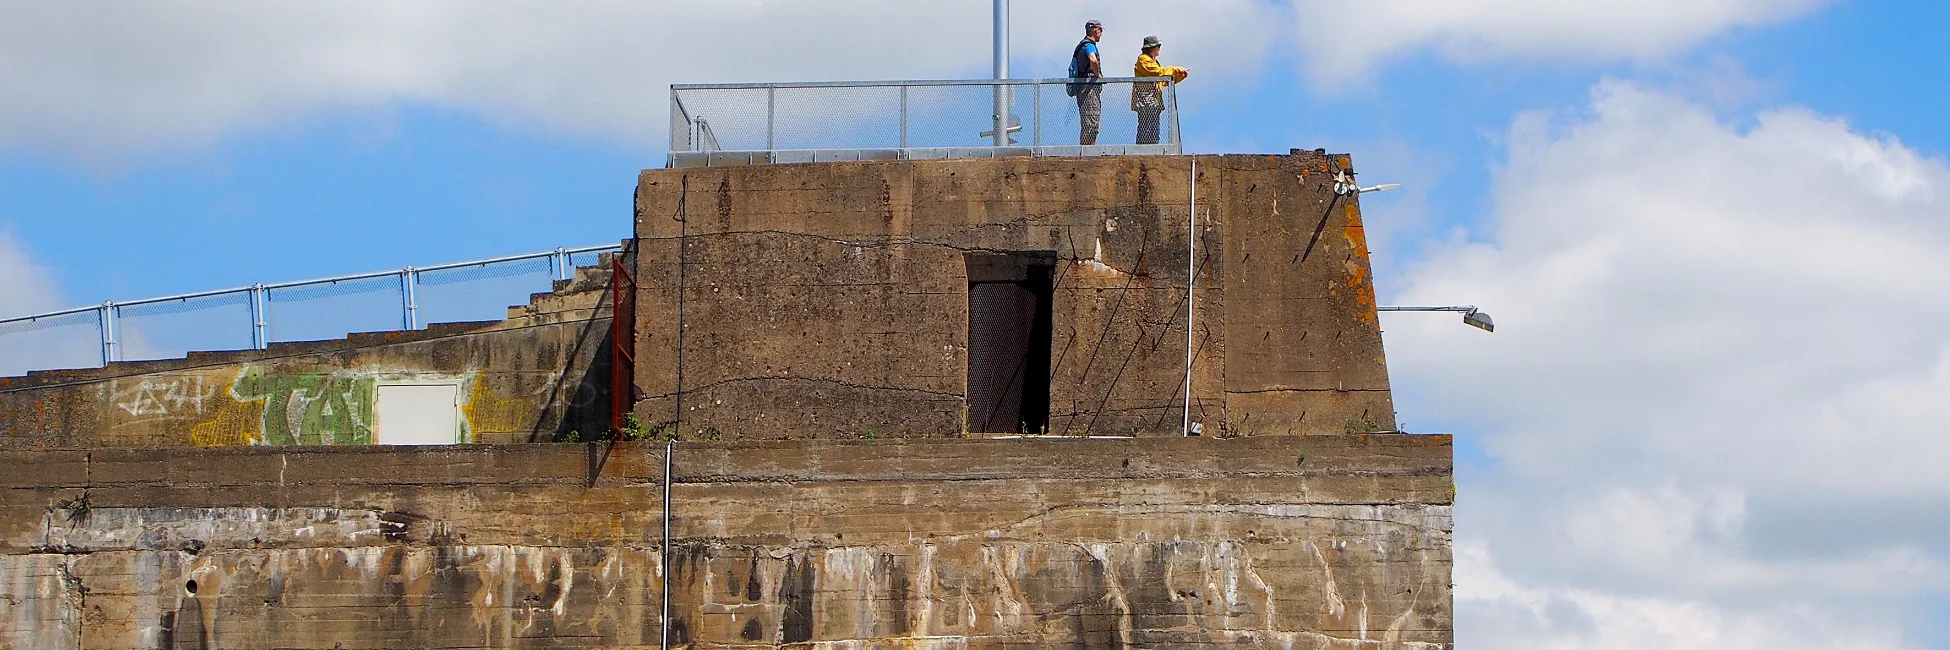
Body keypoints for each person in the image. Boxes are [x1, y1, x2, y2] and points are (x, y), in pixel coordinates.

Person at [1132, 36, 1189, 145]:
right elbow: (1158, 73)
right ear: (1151, 48)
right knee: (1145, 126)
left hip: (1154, 99)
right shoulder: (1143, 59)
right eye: (1158, 46)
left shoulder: (1154, 62)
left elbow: (1164, 81)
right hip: (1145, 99)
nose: (1159, 48)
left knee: (1154, 128)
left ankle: (1152, 147)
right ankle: (1142, 148)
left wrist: (1179, 76)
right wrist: (1175, 69)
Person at [1067, 20, 1105, 145]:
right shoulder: (1088, 45)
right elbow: (1093, 59)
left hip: (1084, 88)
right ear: (1095, 30)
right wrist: (1097, 74)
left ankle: (1087, 150)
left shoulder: (1083, 45)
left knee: (1089, 121)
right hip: (1088, 88)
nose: (1101, 33)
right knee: (1091, 121)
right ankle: (1088, 151)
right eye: (1101, 30)